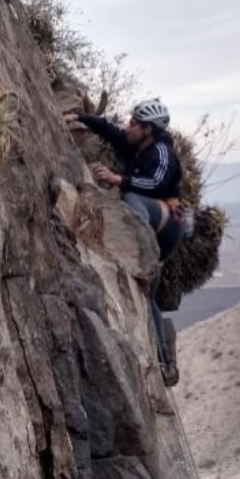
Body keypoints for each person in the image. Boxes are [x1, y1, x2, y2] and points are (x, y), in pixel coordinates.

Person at [65, 99, 185, 385]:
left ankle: (139, 251)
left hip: (170, 219)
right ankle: (166, 363)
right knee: (147, 295)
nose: (128, 126)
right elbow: (109, 131)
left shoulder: (162, 153)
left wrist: (118, 179)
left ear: (148, 130)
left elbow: (155, 183)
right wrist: (80, 117)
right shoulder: (138, 144)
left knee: (131, 199)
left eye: (134, 123)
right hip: (155, 217)